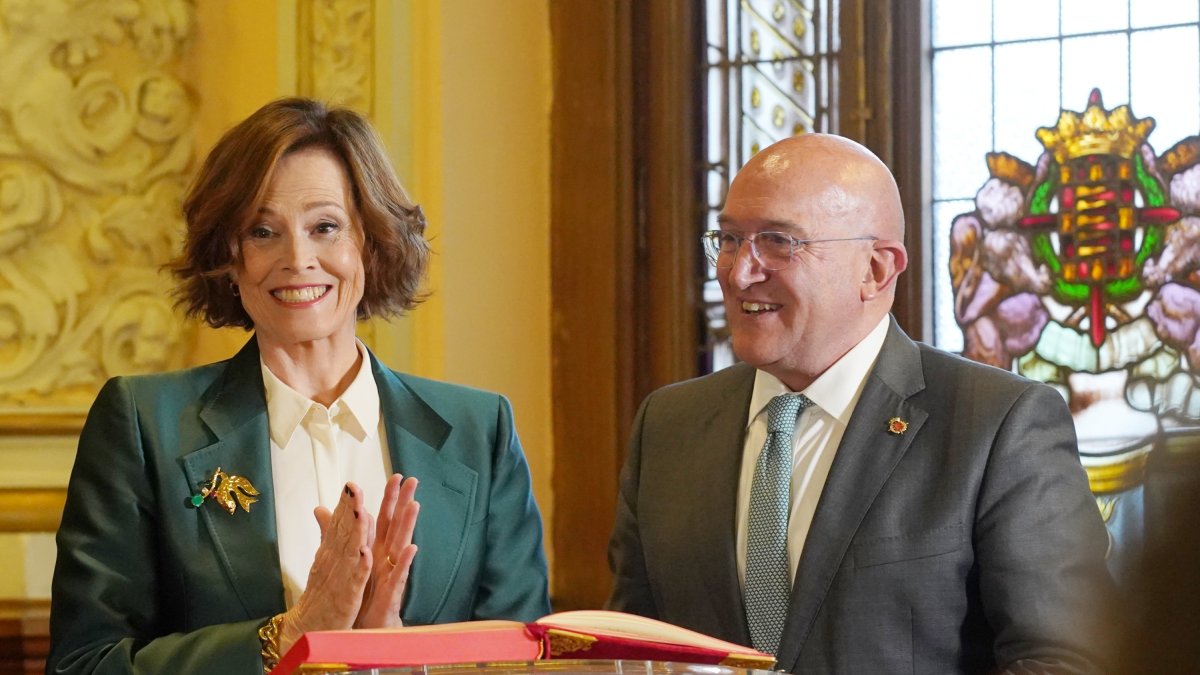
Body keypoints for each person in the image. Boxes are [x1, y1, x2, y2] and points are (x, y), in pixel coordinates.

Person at [48, 97, 550, 674]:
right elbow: (84, 665)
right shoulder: (143, 423)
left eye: (326, 227)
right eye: (263, 232)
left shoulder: (478, 431)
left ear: (372, 241)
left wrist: (398, 655)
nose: (298, 258)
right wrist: (290, 635)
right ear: (229, 258)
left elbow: (525, 662)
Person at [606, 134, 1118, 673]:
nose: (738, 272)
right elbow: (629, 650)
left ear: (875, 270)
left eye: (779, 242)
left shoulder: (996, 423)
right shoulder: (669, 426)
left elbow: (1069, 658)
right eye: (730, 239)